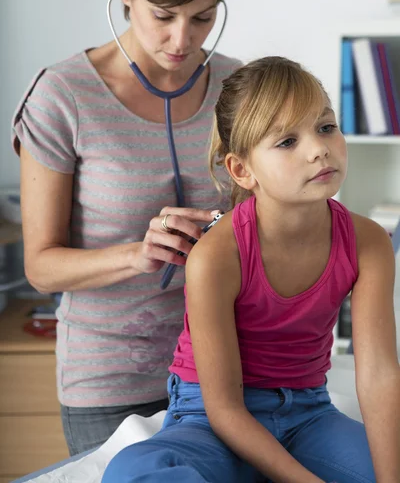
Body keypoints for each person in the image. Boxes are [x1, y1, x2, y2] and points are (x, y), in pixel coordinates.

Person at [11, 0, 241, 455]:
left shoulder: (240, 88)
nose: (182, 41)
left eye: (202, 17)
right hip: (108, 384)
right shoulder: (63, 96)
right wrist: (139, 254)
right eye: (163, 15)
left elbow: (257, 216)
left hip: (223, 371)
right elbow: (41, 267)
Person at [102, 57, 400, 483]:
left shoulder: (369, 242)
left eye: (326, 126)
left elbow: (379, 375)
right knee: (134, 470)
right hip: (210, 419)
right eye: (286, 142)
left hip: (308, 416)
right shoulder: (216, 255)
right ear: (242, 170)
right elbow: (224, 409)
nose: (318, 149)